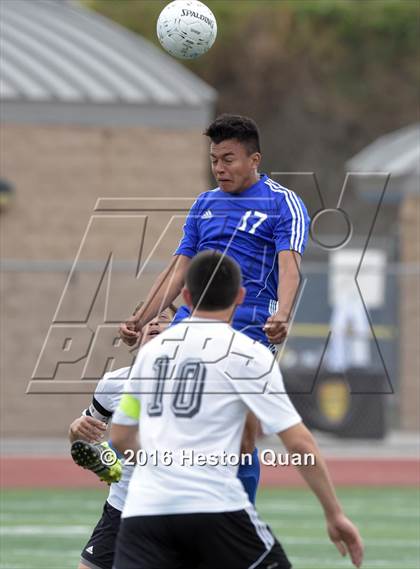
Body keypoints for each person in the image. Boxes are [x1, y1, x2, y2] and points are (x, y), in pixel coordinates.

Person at [111, 251, 363, 569]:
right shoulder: (249, 354)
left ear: (186, 296)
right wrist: (334, 513)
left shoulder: (151, 353)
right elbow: (299, 443)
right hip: (214, 507)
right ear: (240, 296)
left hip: (144, 511)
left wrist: (164, 463)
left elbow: (120, 437)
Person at [118, 113, 310, 502]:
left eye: (228, 159)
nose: (219, 168)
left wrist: (283, 314)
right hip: (192, 320)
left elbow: (291, 268)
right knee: (175, 412)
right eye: (214, 160)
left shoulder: (282, 203)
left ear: (254, 159)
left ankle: (239, 512)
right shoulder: (205, 203)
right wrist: (140, 319)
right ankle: (167, 498)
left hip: (251, 323)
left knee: (240, 429)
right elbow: (178, 270)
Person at [68, 307, 176, 569]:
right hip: (121, 507)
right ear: (136, 334)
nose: (153, 325)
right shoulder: (113, 383)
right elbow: (84, 440)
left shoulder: (194, 384)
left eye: (163, 320)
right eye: (147, 321)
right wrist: (76, 430)